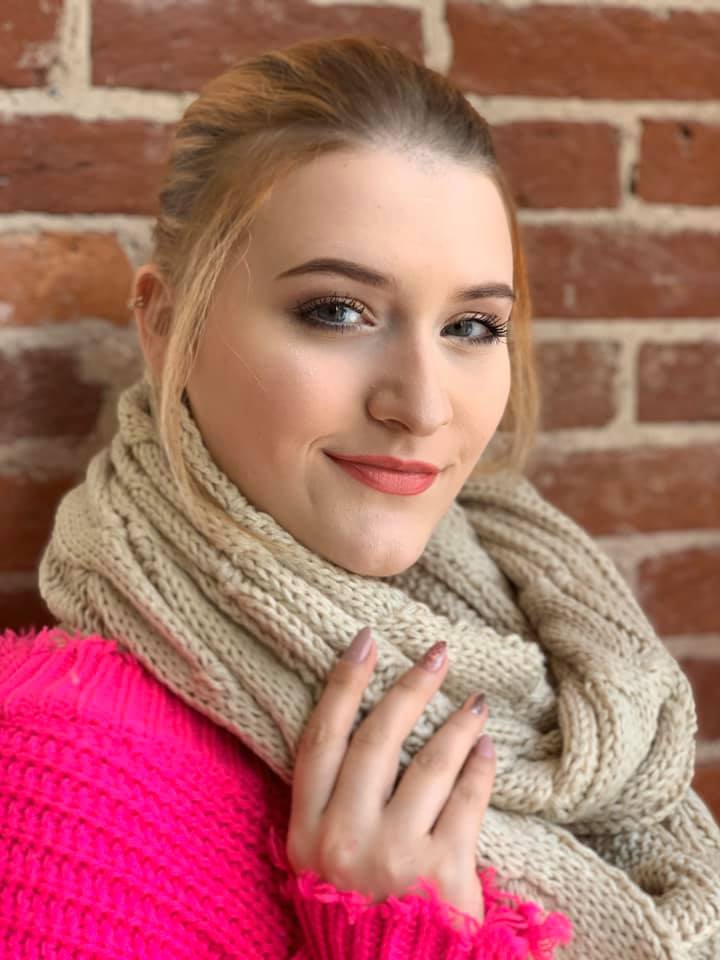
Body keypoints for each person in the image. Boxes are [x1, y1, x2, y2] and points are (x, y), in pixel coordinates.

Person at [1, 34, 718, 960]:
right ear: (166, 323)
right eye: (337, 311)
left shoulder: (564, 669)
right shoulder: (58, 776)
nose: (422, 406)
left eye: (472, 326)